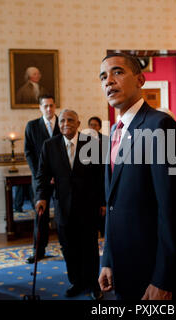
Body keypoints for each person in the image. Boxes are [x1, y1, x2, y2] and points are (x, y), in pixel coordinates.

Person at [97, 53, 176, 300]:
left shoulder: (162, 125)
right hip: (123, 265)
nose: (108, 81)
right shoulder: (115, 132)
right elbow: (113, 204)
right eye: (103, 77)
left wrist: (164, 277)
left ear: (140, 80)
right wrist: (108, 259)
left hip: (155, 273)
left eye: (117, 72)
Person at [35, 109, 104, 300]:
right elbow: (42, 176)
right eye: (63, 120)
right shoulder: (49, 146)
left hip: (88, 206)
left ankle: (92, 285)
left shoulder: (92, 144)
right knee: (69, 247)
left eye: (70, 120)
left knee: (89, 247)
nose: (66, 123)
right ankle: (76, 282)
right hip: (63, 206)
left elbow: (100, 176)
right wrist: (41, 197)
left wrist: (103, 202)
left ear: (78, 123)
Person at [24, 94, 61, 264]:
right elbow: (29, 152)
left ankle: (66, 247)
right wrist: (40, 174)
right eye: (45, 106)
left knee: (63, 213)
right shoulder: (32, 126)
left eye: (51, 105)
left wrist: (58, 174)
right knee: (41, 215)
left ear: (55, 106)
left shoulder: (63, 123)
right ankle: (38, 251)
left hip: (62, 178)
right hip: (41, 179)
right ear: (40, 107)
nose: (49, 109)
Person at [85, 116, 107, 238]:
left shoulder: (105, 140)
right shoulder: (83, 141)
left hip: (103, 175)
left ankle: (104, 231)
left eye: (96, 125)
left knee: (103, 206)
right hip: (90, 178)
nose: (93, 127)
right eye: (91, 125)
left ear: (99, 127)